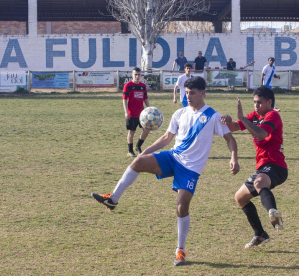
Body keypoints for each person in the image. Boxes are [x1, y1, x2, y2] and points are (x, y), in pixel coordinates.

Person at [92, 76, 240, 266]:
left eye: (192, 93)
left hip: (190, 169)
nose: (188, 96)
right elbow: (166, 137)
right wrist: (143, 153)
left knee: (181, 208)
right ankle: (113, 199)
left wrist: (233, 158)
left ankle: (180, 250)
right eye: (186, 93)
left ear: (203, 93)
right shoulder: (180, 113)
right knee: (137, 163)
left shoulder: (212, 116)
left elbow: (230, 139)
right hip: (173, 157)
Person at [221, 85, 287, 249]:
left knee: (259, 183)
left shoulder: (273, 115)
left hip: (276, 165)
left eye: (259, 103)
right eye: (254, 102)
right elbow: (235, 127)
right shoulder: (254, 116)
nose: (256, 106)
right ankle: (260, 234)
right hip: (262, 166)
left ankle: (273, 213)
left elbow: (261, 134)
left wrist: (243, 119)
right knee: (240, 198)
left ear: (269, 102)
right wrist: (228, 121)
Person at [123, 67, 151, 157]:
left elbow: (145, 98)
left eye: (139, 74)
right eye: (135, 74)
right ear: (132, 75)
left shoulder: (143, 86)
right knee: (132, 132)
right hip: (132, 113)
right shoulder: (128, 85)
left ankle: (138, 146)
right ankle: (130, 151)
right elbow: (124, 99)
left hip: (142, 114)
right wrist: (126, 112)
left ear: (141, 75)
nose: (137, 76)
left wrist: (149, 108)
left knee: (147, 130)